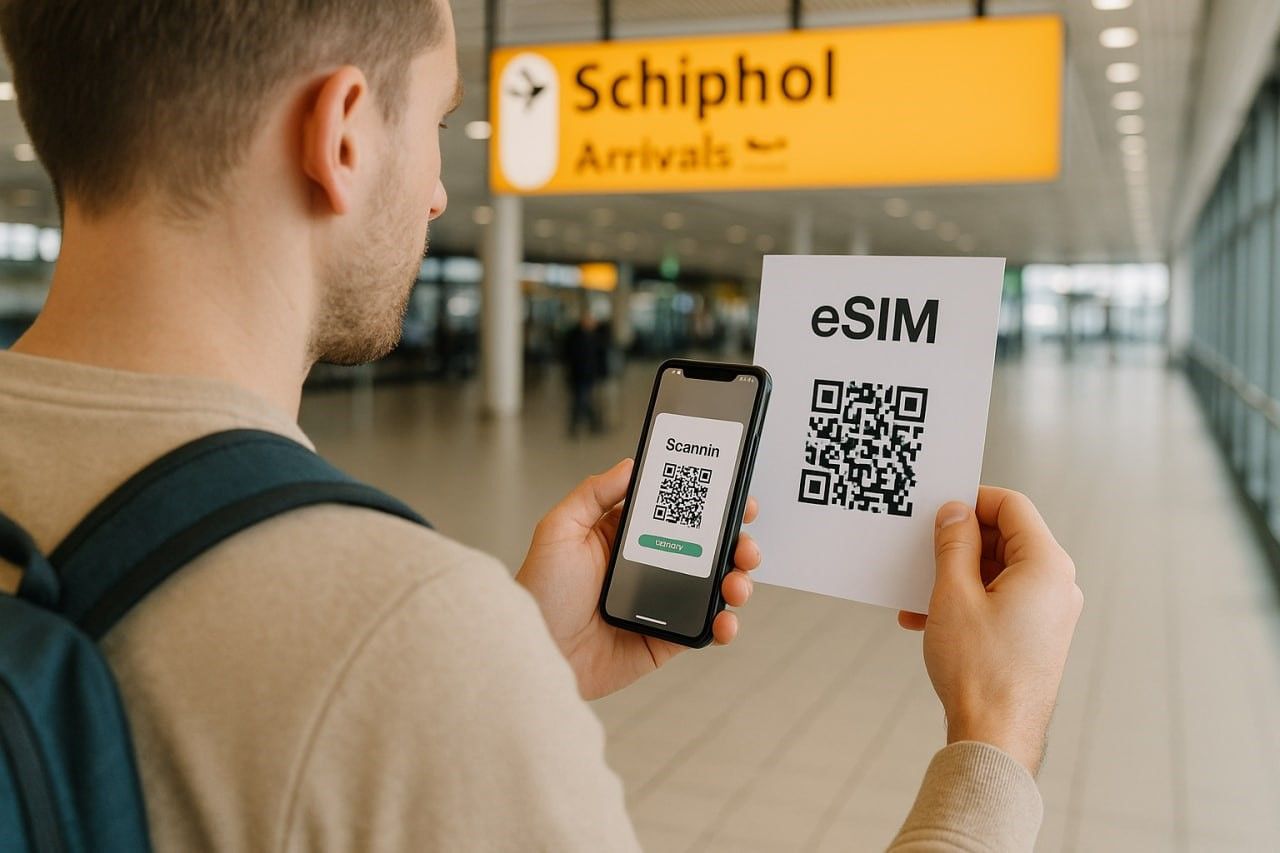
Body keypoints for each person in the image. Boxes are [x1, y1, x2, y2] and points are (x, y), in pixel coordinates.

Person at [0, 1, 1082, 850]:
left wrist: (511, 676)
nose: (436, 192)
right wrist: (995, 736)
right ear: (337, 136)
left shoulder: (423, 658)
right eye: (431, 124)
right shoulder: (402, 631)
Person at [562, 309, 608, 436]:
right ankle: (588, 425)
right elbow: (569, 356)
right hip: (578, 375)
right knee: (581, 401)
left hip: (590, 375)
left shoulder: (595, 337)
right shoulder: (575, 337)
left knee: (584, 400)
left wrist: (602, 372)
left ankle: (591, 424)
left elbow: (599, 357)